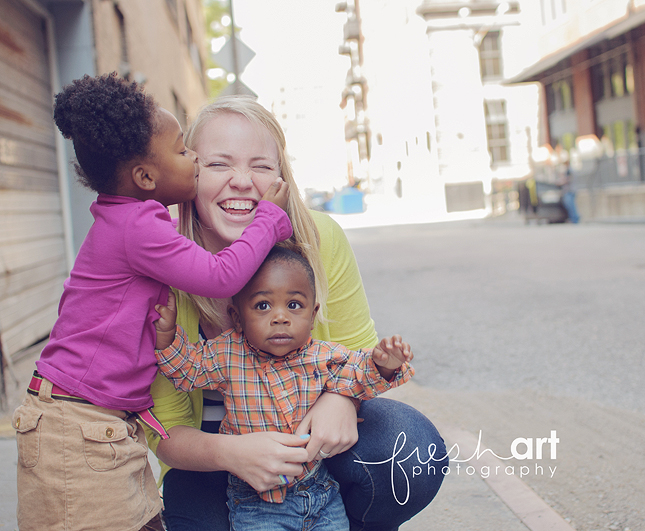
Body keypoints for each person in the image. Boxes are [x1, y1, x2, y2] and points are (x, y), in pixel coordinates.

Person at [146, 95, 448, 531]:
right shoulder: (162, 262)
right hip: (213, 460)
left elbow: (358, 353)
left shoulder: (321, 237)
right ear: (191, 173)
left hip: (315, 460)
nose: (243, 181)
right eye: (218, 164)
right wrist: (234, 453)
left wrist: (340, 398)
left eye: (261, 166)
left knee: (412, 449)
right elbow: (165, 428)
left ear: (282, 176)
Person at [12, 74, 292, 531]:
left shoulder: (131, 219)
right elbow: (221, 277)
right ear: (146, 177)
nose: (195, 158)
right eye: (183, 151)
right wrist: (267, 221)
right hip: (77, 423)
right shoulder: (138, 228)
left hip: (96, 419)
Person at [154, 247, 415, 530]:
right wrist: (166, 337)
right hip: (257, 501)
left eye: (294, 305)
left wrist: (385, 364)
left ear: (312, 315)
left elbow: (360, 376)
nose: (280, 317)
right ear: (238, 317)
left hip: (321, 492)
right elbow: (187, 370)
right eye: (263, 306)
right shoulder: (227, 354)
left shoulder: (323, 356)